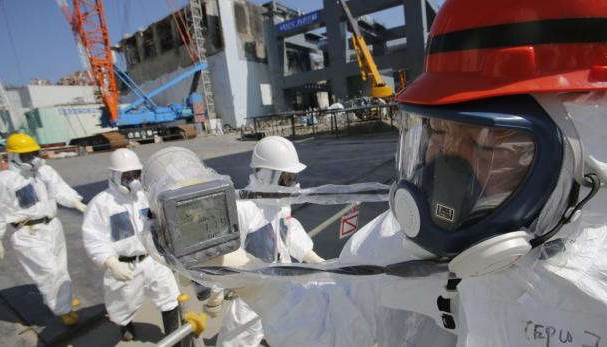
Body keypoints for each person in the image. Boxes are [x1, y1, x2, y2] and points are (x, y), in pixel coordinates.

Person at [196, 1, 607, 346]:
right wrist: (262, 288)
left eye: (485, 143)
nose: (443, 162)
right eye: (438, 131)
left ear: (586, 157)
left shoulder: (593, 288)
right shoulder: (397, 242)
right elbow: (339, 320)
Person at [213, 136, 325, 347]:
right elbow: (222, 253)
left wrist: (312, 257)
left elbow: (288, 233)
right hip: (251, 296)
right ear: (267, 175)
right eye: (287, 178)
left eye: (292, 177)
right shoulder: (243, 209)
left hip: (284, 287)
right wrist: (215, 292)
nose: (293, 184)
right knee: (239, 342)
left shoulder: (280, 205)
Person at [82, 148, 181, 341]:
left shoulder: (144, 197)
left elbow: (159, 222)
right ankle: (125, 325)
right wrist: (110, 262)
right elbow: (94, 238)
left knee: (170, 298)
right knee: (122, 306)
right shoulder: (102, 203)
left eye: (136, 174)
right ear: (114, 175)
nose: (133, 179)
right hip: (124, 265)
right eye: (127, 175)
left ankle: (176, 340)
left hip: (152, 259)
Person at [0, 133, 86, 326]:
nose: (32, 159)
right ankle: (62, 310)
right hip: (28, 233)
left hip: (52, 226)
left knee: (59, 267)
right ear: (13, 157)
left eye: (33, 153)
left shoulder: (45, 172)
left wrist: (76, 202)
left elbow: (60, 190)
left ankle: (62, 300)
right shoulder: (3, 180)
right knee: (48, 272)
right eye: (25, 155)